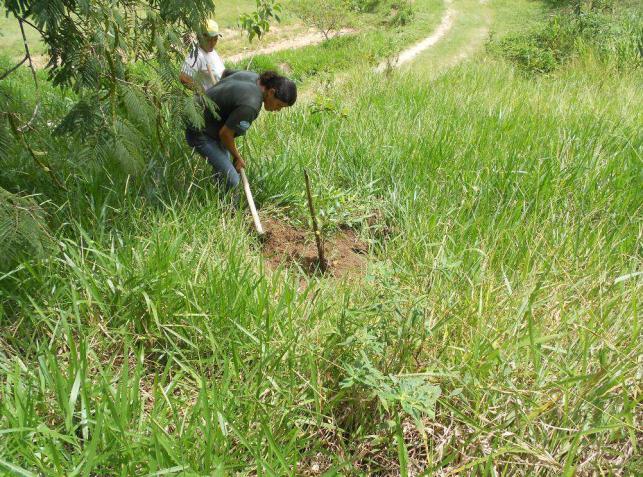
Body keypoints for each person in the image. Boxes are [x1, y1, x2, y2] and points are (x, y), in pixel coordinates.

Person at [186, 70, 297, 190]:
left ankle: (219, 196)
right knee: (233, 180)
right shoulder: (251, 105)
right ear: (271, 92)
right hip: (199, 130)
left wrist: (223, 99)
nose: (278, 110)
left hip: (199, 114)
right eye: (279, 105)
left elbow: (226, 73)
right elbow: (225, 134)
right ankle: (229, 206)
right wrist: (238, 157)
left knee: (224, 167)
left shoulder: (254, 76)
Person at [180, 19, 225, 92]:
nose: (212, 43)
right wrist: (203, 93)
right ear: (200, 37)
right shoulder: (196, 55)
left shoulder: (212, 52)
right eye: (208, 40)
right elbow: (184, 78)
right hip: (209, 100)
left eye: (215, 39)